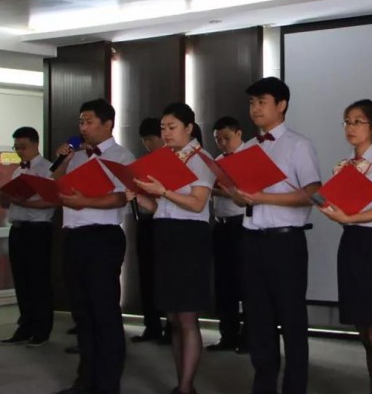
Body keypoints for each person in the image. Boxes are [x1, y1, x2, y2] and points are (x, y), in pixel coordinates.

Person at [227, 76, 321, 394]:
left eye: (262, 102)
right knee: (258, 320)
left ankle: (295, 388)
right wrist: (237, 193)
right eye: (252, 103)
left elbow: (314, 193)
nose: (255, 108)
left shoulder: (298, 145)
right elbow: (243, 199)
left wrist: (263, 197)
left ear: (281, 105)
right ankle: (263, 386)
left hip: (285, 242)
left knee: (292, 321)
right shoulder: (248, 148)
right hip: (252, 240)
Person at [316, 99, 372, 394]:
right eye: (347, 122)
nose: (351, 128)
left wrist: (348, 217)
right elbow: (340, 204)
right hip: (351, 242)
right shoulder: (346, 165)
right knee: (363, 331)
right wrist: (328, 206)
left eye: (358, 122)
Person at [52, 99, 135, 394]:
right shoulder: (76, 156)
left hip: (102, 238)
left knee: (104, 312)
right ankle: (85, 379)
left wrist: (85, 201)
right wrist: (62, 159)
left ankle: (108, 383)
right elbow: (56, 183)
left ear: (108, 123)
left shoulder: (122, 156)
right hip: (73, 236)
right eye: (81, 122)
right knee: (82, 313)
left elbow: (121, 197)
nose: (83, 127)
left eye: (89, 122)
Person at [133, 103, 213, 394]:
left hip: (189, 238)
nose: (166, 133)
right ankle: (181, 382)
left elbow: (197, 204)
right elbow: (158, 208)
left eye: (172, 127)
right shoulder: (164, 158)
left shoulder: (200, 159)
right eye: (163, 128)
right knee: (173, 317)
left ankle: (186, 386)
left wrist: (163, 191)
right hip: (164, 233)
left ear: (189, 128)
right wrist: (137, 195)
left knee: (187, 316)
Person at [0, 127, 57, 347]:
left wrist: (24, 202)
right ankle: (25, 326)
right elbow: (10, 203)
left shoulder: (49, 168)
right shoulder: (17, 171)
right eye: (16, 148)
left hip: (38, 230)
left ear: (35, 144)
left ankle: (41, 329)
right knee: (21, 281)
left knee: (38, 281)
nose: (20, 151)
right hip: (18, 228)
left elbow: (53, 200)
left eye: (23, 147)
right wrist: (5, 198)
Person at [207, 116, 249, 353]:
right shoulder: (217, 161)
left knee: (245, 283)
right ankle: (228, 335)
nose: (222, 143)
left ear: (239, 134)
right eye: (218, 139)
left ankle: (248, 337)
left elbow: (246, 194)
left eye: (226, 138)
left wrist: (222, 191)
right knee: (224, 284)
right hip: (221, 225)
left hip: (242, 225)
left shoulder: (249, 158)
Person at [129, 117, 171, 345]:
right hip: (145, 221)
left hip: (166, 223)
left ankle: (172, 328)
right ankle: (152, 325)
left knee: (166, 276)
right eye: (144, 140)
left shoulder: (173, 160)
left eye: (151, 139)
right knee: (146, 274)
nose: (148, 144)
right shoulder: (143, 162)